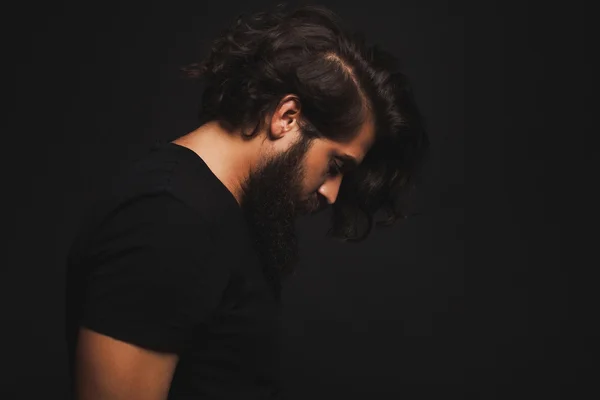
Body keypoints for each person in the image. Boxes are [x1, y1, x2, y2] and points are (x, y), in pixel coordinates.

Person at [65, 4, 429, 400]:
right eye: (335, 165)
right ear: (287, 116)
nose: (332, 192)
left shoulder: (220, 213)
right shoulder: (167, 220)